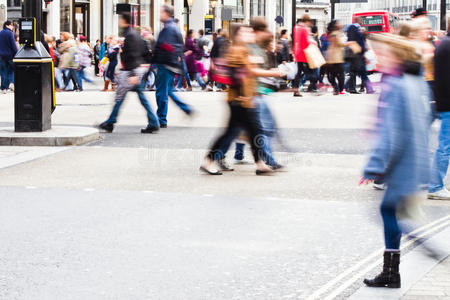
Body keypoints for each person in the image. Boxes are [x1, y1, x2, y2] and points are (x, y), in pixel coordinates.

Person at [360, 32, 431, 289]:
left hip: (403, 162)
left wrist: (374, 167)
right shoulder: (417, 82)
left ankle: (398, 268)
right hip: (416, 159)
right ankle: (392, 272)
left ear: (396, 57)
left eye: (384, 53)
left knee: (388, 211)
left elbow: (392, 134)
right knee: (393, 210)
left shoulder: (396, 86)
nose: (379, 56)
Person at [200, 24, 284, 176]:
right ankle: (209, 161)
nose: (250, 34)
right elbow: (246, 72)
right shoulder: (237, 50)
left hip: (245, 98)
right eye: (246, 32)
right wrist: (274, 73)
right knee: (232, 132)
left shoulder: (243, 49)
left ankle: (260, 163)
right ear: (238, 35)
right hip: (239, 99)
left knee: (254, 130)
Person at [99, 13, 159, 134]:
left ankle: (110, 122)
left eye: (120, 19)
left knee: (120, 97)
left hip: (131, 71)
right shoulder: (134, 34)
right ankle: (153, 122)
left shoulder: (130, 35)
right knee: (137, 97)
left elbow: (133, 55)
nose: (119, 22)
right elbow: (141, 52)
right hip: (136, 70)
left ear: (124, 20)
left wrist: (133, 74)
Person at [152, 4, 193, 128]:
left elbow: (167, 46)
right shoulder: (173, 27)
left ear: (166, 13)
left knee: (161, 93)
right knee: (168, 91)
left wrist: (157, 60)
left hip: (166, 64)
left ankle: (161, 119)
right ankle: (186, 109)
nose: (159, 15)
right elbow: (177, 47)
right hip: (171, 64)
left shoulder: (169, 28)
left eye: (161, 12)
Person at [428, 20, 450, 200]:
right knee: (445, 147)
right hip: (447, 104)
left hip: (443, 102)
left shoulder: (444, 44)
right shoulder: (447, 45)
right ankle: (435, 186)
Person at [346, 17, 373, 94]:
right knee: (360, 72)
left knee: (356, 72)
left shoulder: (357, 28)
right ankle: (368, 88)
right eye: (360, 20)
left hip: (358, 54)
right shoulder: (354, 27)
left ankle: (348, 87)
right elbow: (353, 41)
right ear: (358, 21)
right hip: (356, 54)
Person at [292, 15, 316, 97]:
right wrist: (313, 42)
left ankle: (296, 90)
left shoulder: (296, 28)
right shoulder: (304, 29)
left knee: (299, 72)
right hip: (305, 53)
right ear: (307, 21)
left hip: (298, 52)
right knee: (311, 71)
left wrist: (294, 53)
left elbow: (296, 41)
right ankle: (312, 88)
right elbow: (306, 41)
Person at [326, 20, 347, 95]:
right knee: (341, 74)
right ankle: (340, 89)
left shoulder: (330, 33)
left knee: (332, 74)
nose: (340, 24)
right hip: (337, 56)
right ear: (335, 26)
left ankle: (335, 88)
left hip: (331, 56)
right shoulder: (337, 33)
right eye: (338, 24)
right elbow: (340, 44)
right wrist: (349, 43)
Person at [0, 20, 18, 93]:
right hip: (10, 55)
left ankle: (4, 88)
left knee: (3, 71)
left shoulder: (0, 33)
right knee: (12, 70)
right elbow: (13, 45)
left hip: (1, 56)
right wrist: (16, 53)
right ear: (7, 25)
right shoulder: (10, 33)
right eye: (11, 25)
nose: (12, 27)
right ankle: (11, 83)